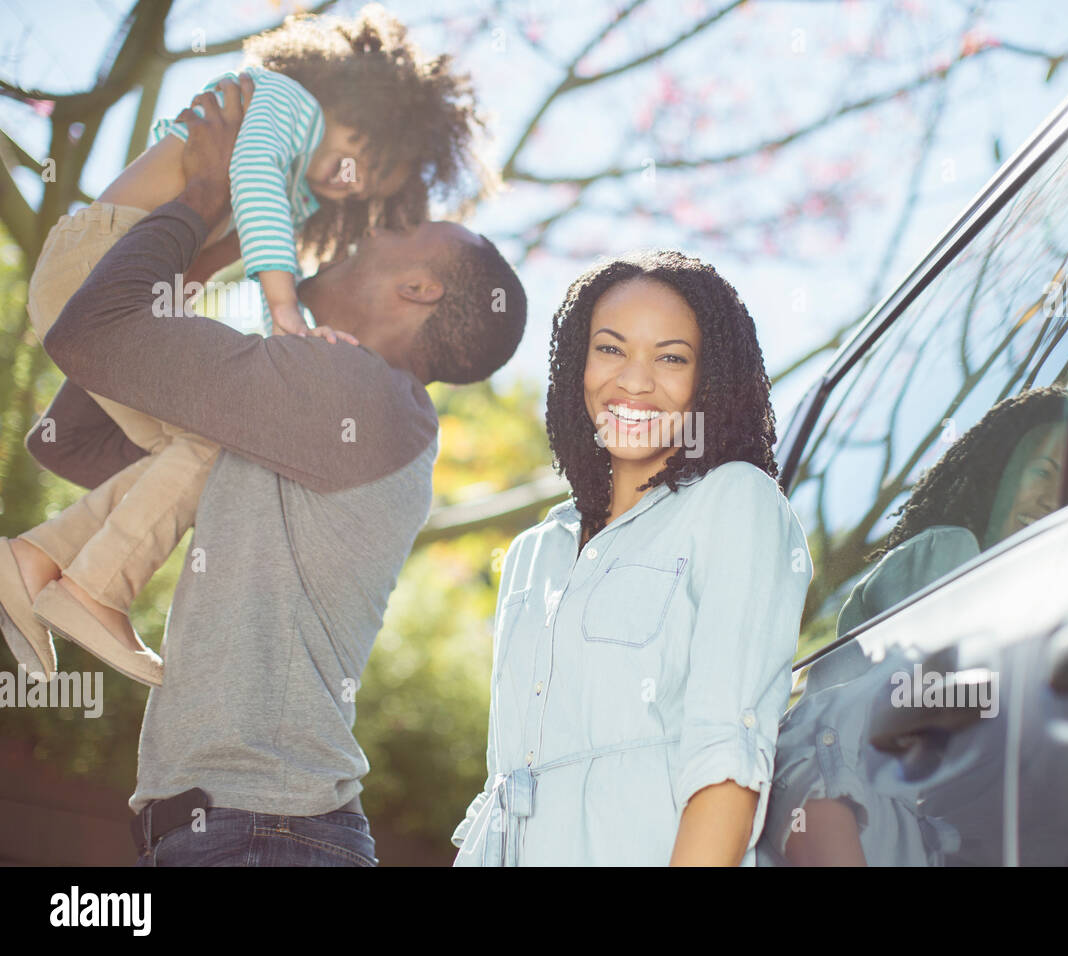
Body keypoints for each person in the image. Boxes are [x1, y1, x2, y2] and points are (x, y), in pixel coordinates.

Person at [1, 75, 527, 866]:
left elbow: (91, 334)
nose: (373, 225)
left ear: (419, 288)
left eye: (405, 227)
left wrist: (208, 190)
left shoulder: (351, 396)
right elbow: (69, 436)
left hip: (265, 835)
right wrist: (218, 237)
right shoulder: (316, 402)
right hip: (244, 833)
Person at [1, 4, 490, 687]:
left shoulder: (309, 196)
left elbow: (246, 260)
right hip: (98, 259)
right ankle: (91, 591)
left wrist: (285, 335)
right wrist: (284, 306)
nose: (348, 179)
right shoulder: (285, 102)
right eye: (357, 154)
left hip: (136, 282)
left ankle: (31, 563)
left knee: (211, 437)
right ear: (341, 98)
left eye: (367, 184)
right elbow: (254, 183)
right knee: (213, 436)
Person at [450, 251, 812, 865]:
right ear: (577, 365)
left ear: (709, 380)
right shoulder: (533, 554)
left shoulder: (734, 500)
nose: (635, 381)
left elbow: (727, 755)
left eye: (671, 357)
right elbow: (501, 784)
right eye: (611, 349)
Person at [767, 385, 1068, 866]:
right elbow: (837, 739)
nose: (1054, 499)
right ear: (999, 475)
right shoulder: (951, 553)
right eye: (1042, 472)